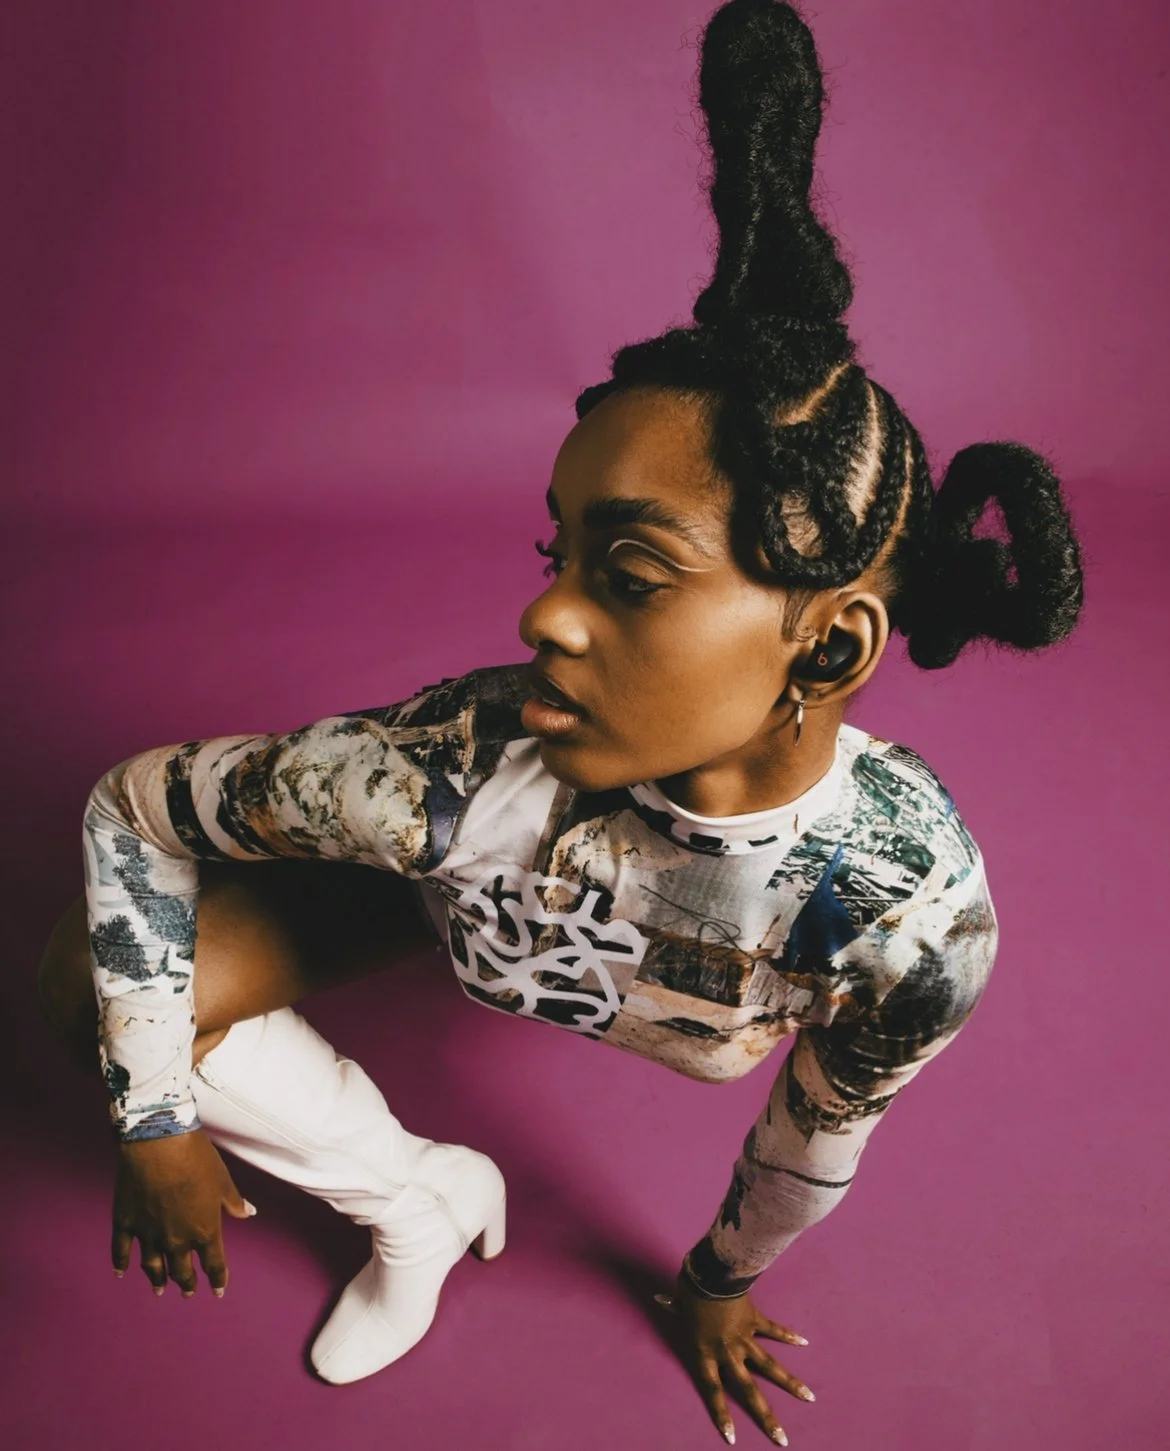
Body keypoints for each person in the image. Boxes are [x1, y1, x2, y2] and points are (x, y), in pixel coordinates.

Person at [36, 1, 1084, 1445]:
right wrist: (153, 1113)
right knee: (94, 993)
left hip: (560, 920)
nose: (542, 615)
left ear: (830, 642)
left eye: (630, 573)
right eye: (559, 553)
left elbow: (814, 1136)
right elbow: (131, 807)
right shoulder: (447, 775)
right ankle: (417, 1199)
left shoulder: (909, 913)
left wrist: (716, 1285)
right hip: (459, 900)